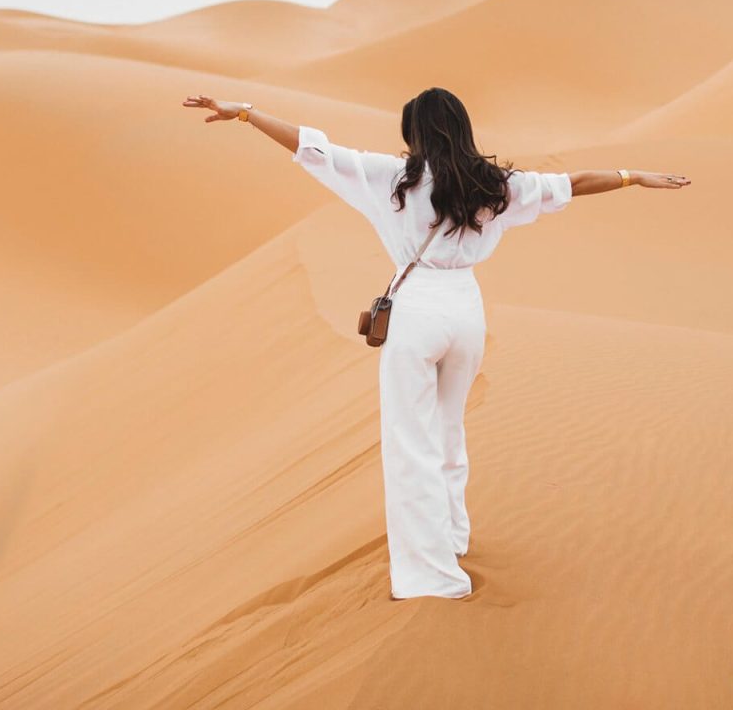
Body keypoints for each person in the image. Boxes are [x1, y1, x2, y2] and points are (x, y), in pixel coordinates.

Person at [183, 86, 691, 600]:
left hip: (418, 308)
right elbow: (574, 182)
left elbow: (312, 148)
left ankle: (432, 575)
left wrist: (246, 113)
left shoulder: (392, 178)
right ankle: (452, 536)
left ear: (415, 133)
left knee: (411, 443)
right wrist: (633, 177)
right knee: (448, 430)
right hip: (466, 311)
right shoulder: (494, 184)